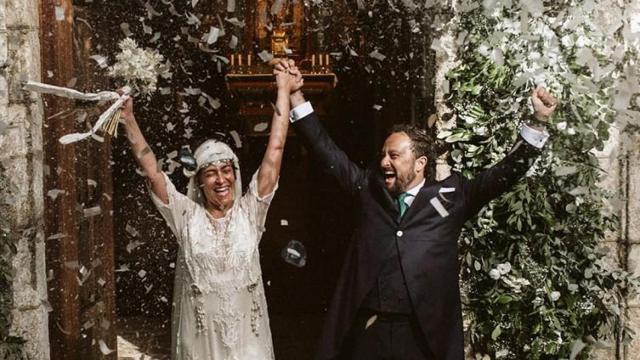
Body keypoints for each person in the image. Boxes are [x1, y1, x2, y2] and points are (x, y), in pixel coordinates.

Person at [274, 60, 556, 360]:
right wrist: (294, 95)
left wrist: (538, 120)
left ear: (420, 163)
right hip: (369, 336)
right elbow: (325, 150)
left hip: (424, 341)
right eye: (383, 155)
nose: (384, 162)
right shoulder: (368, 190)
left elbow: (504, 174)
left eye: (394, 155)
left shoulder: (451, 198)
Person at [119, 69, 302, 359]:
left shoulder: (250, 211)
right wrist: (128, 118)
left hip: (248, 344)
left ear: (235, 174)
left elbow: (275, 150)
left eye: (226, 171)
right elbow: (152, 171)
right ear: (199, 182)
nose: (221, 180)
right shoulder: (186, 216)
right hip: (202, 345)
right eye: (211, 173)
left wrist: (284, 90)